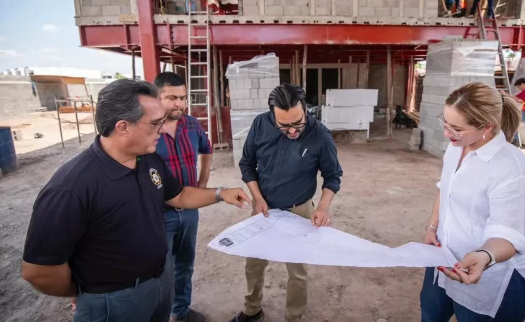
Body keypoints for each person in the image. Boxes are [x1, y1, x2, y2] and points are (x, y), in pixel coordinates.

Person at [21, 79, 251, 322]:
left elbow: (179, 195)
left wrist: (220, 193)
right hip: (113, 301)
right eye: (154, 124)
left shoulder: (147, 160)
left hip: (160, 282)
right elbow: (38, 271)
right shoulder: (71, 187)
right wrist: (88, 293)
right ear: (122, 127)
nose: (162, 130)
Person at [420, 82, 525, 321]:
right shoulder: (456, 147)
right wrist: (432, 227)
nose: (447, 133)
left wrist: (485, 255)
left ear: (487, 127)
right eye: (445, 123)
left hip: (487, 274)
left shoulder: (510, 167)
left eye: (456, 128)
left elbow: (509, 235)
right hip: (444, 258)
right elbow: (445, 188)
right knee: (430, 314)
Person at [230, 84, 343, 322]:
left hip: (299, 211)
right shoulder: (260, 124)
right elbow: (247, 164)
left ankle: (294, 317)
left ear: (305, 109)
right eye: (284, 125)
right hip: (263, 208)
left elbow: (332, 175)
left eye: (298, 123)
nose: (292, 131)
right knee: (254, 264)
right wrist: (258, 199)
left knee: (298, 272)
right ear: (273, 114)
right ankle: (252, 310)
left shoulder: (319, 135)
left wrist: (322, 206)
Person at [154, 72, 212, 322]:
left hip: (189, 211)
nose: (179, 103)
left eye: (183, 98)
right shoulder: (147, 129)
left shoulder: (192, 124)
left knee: (185, 264)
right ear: (157, 98)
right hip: (158, 213)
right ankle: (158, 315)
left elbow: (206, 149)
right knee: (157, 271)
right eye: (172, 98)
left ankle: (181, 311)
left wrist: (203, 183)